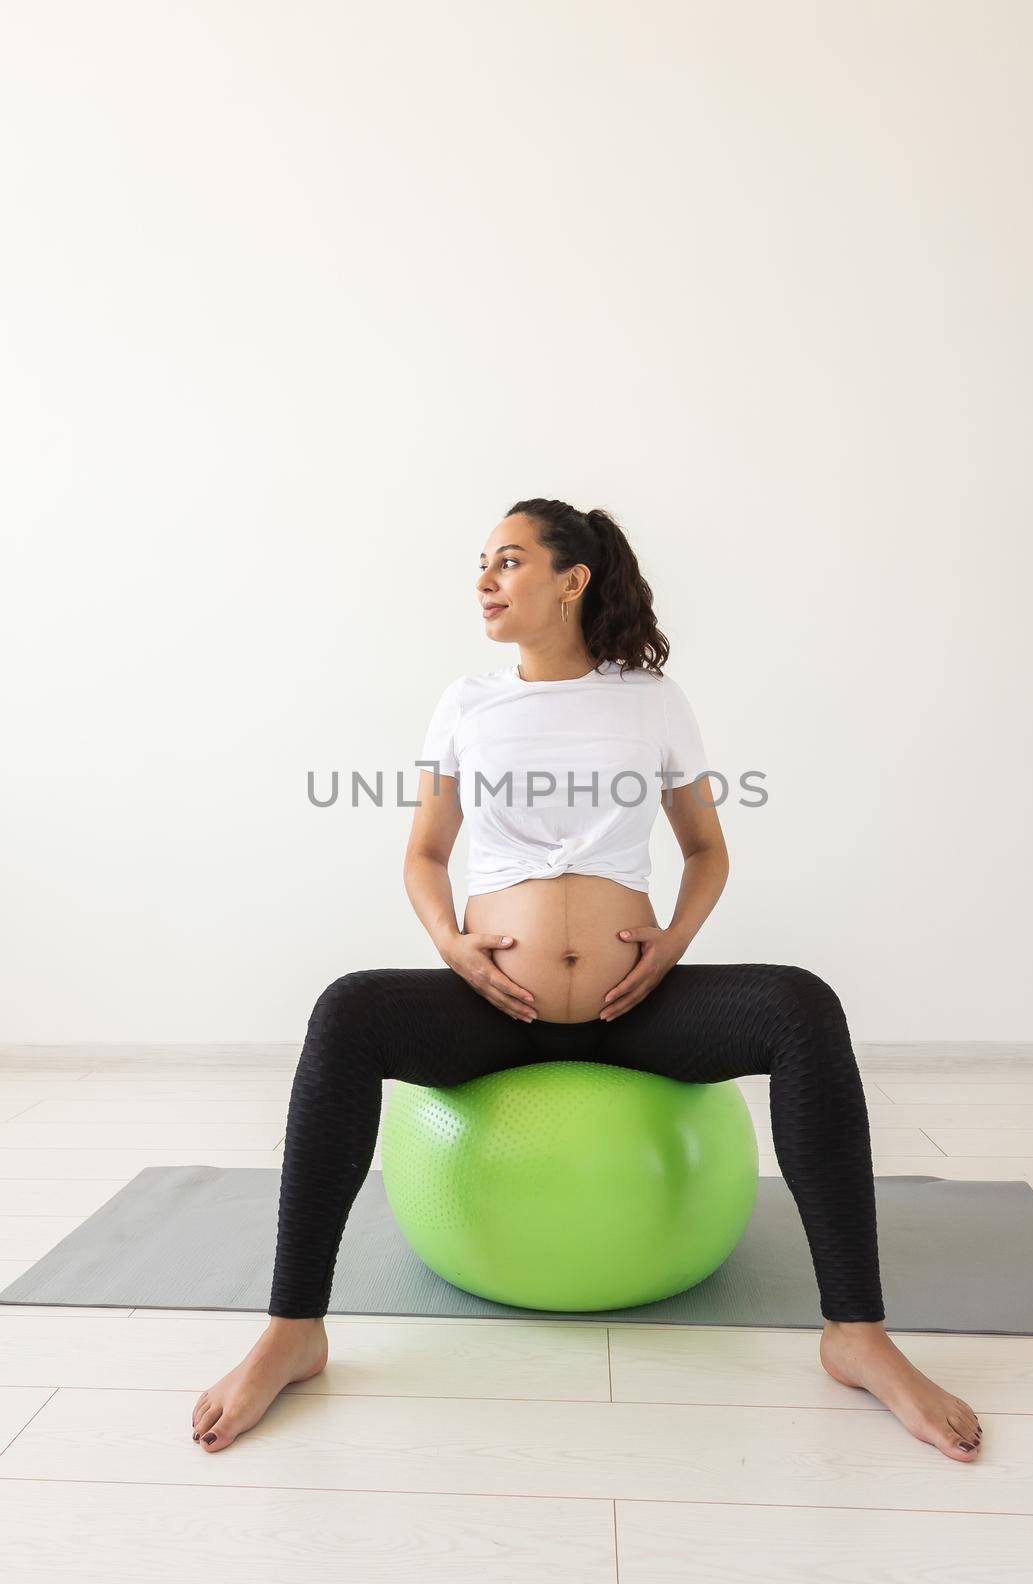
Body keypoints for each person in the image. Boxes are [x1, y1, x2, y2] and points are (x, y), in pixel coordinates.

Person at [191, 499, 983, 1460]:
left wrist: (672, 945)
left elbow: (704, 850)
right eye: (480, 563)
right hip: (497, 1009)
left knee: (799, 1004)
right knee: (347, 1009)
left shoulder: (649, 699)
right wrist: (451, 945)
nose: (484, 579)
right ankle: (294, 1329)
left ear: (573, 579)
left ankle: (856, 1334)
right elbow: (424, 856)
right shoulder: (466, 703)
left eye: (509, 560)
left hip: (628, 1007)